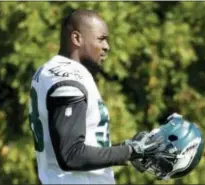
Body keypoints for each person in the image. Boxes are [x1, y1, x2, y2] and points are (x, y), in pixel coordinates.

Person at [29, 9, 164, 184]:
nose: (107, 46)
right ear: (77, 38)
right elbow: (71, 154)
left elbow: (75, 147)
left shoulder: (49, 70)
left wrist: (126, 149)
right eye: (101, 39)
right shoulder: (69, 75)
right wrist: (130, 151)